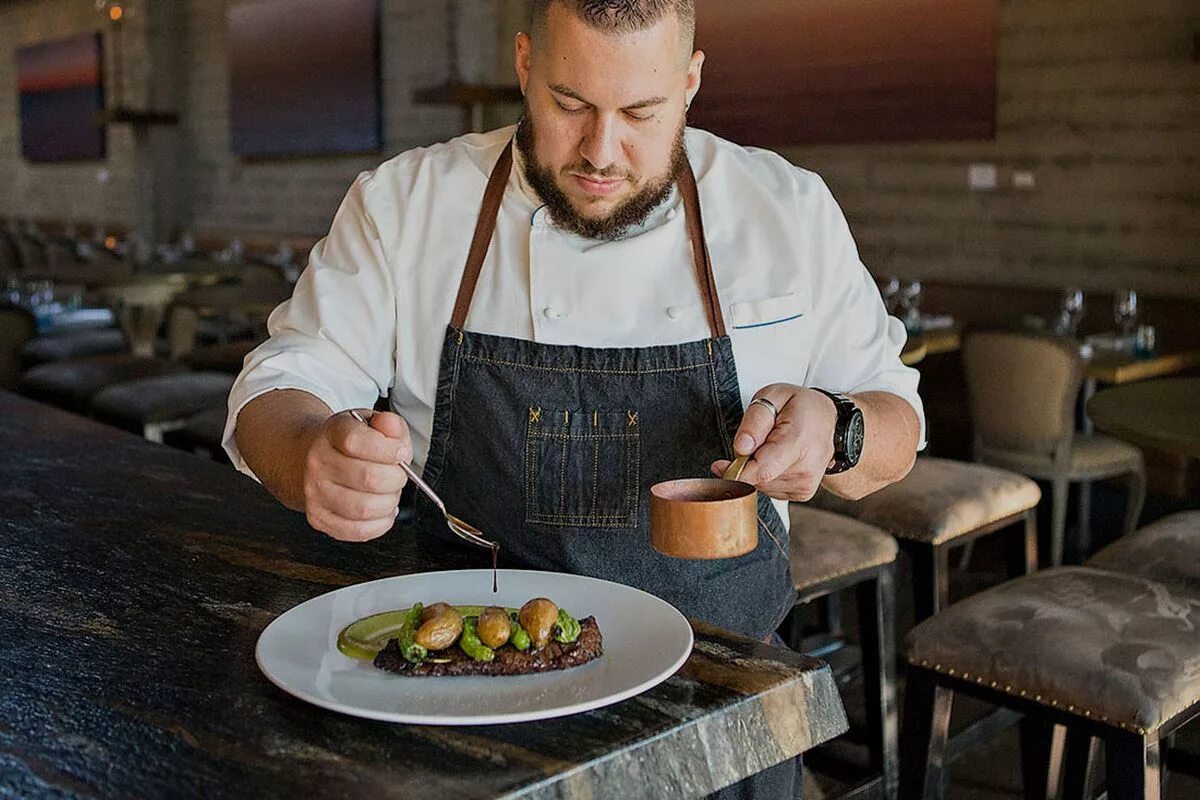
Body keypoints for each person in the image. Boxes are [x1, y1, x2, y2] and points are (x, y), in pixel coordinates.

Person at [226, 1, 923, 797]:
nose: (600, 151)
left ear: (691, 83)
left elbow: (897, 422)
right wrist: (308, 452)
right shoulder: (405, 205)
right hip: (462, 690)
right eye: (569, 104)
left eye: (640, 113)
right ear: (523, 64)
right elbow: (282, 383)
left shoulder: (787, 211)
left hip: (720, 694)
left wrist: (840, 430)